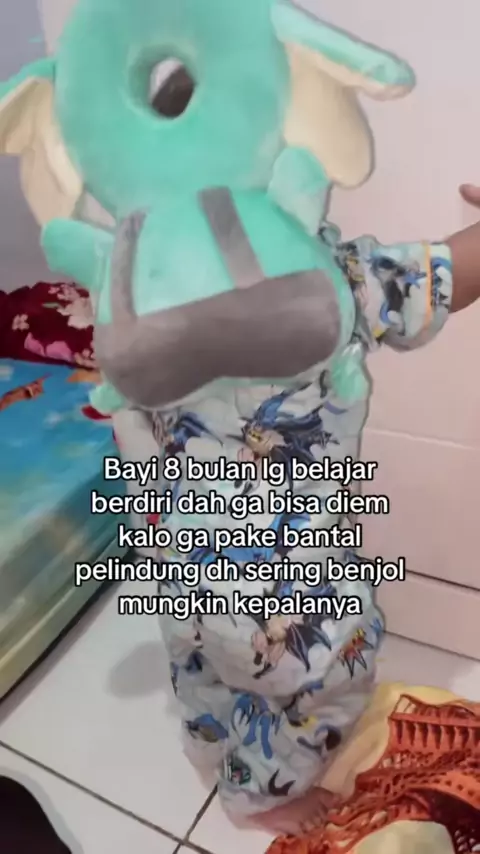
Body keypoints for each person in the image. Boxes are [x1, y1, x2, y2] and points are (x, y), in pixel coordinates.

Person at [152, 66, 480, 833]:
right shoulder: (324, 285)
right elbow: (436, 278)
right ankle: (266, 793)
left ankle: (215, 743)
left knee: (202, 663)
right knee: (326, 676)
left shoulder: (144, 294)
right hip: (287, 580)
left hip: (184, 549)